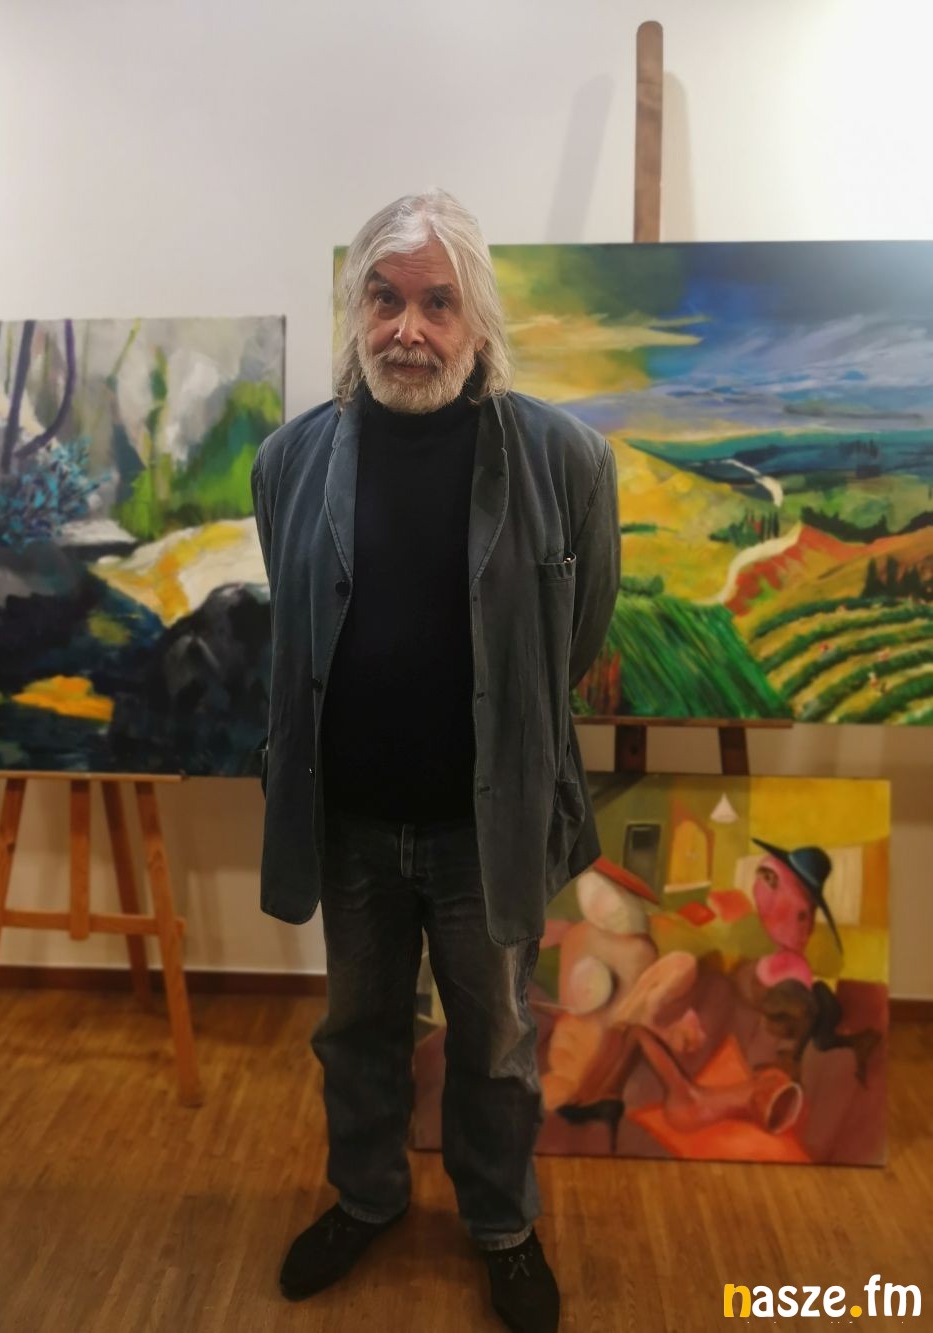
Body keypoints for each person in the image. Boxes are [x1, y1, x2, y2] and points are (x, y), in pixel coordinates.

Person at [250, 190, 620, 1333]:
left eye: (436, 303)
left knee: (496, 1047)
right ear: (356, 309)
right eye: (384, 298)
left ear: (476, 319)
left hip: (483, 830)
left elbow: (577, 637)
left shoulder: (563, 460)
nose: (406, 329)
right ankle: (366, 1198)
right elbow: (301, 628)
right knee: (355, 1033)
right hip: (351, 824)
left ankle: (501, 1226)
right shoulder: (288, 461)